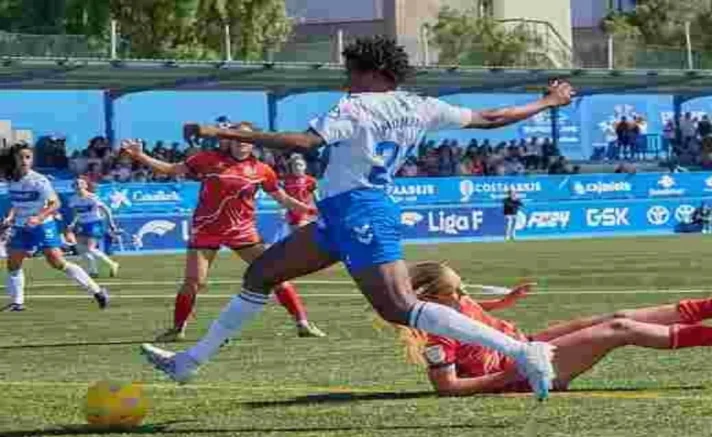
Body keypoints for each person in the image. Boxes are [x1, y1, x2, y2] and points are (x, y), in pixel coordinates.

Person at [140, 36, 574, 400]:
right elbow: (493, 118)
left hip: (361, 211)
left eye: (351, 73)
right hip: (342, 215)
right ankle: (189, 362)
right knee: (262, 274)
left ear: (373, 72)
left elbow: (303, 142)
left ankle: (521, 351)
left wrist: (226, 133)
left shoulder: (355, 108)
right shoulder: (422, 106)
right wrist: (548, 101)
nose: (347, 82)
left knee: (401, 308)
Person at [397, 262, 712, 396]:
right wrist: (515, 371)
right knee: (621, 328)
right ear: (431, 299)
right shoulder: (437, 334)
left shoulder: (454, 304)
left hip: (525, 345)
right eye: (456, 292)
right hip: (522, 372)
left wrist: (505, 303)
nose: (464, 295)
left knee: (619, 314)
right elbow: (448, 389)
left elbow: (474, 311)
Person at [121, 122, 325, 341]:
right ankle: (177, 329)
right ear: (229, 139)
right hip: (206, 230)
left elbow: (282, 199)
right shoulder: (207, 159)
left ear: (254, 143)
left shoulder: (262, 170)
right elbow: (172, 170)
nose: (241, 143)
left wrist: (313, 210)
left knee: (275, 275)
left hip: (243, 232)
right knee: (193, 282)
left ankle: (302, 323)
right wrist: (140, 156)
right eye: (237, 138)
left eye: (246, 140)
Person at [0, 143, 109, 312]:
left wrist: (39, 217)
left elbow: (55, 203)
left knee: (57, 262)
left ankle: (97, 290)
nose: (24, 160)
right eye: (20, 157)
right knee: (13, 263)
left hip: (42, 225)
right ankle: (17, 302)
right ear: (14, 159)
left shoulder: (39, 180)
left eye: (28, 157)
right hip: (21, 226)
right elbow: (18, 203)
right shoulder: (11, 179)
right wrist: (10, 217)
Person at [67, 177, 120, 277]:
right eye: (76, 184)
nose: (78, 186)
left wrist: (111, 223)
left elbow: (106, 209)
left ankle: (112, 264)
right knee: (81, 248)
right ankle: (93, 271)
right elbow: (75, 213)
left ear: (85, 186)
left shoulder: (92, 197)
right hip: (82, 224)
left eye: (80, 184)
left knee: (90, 248)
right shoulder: (73, 199)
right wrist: (73, 223)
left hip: (94, 223)